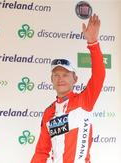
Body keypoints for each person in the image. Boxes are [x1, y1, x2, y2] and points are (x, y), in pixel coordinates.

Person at [31, 14, 105, 163]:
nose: (60, 79)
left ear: (75, 79)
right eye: (56, 75)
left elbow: (99, 75)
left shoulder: (84, 101)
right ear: (51, 80)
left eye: (65, 74)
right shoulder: (48, 112)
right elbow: (41, 152)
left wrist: (93, 43)